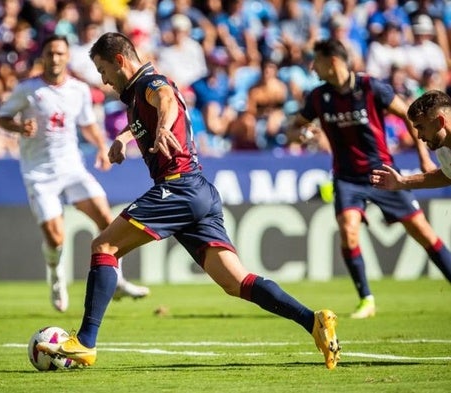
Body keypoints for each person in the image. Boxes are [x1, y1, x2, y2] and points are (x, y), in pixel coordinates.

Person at [36, 32, 341, 370]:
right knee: (236, 283)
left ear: (120, 60)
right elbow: (150, 115)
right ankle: (313, 321)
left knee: (103, 247)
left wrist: (165, 128)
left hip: (177, 188)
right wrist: (124, 138)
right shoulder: (136, 95)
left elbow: (164, 98)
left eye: (103, 70)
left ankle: (86, 343)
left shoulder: (150, 82)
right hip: (198, 191)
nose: (103, 80)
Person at [291, 39, 451, 319]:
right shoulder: (318, 97)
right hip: (347, 177)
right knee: (348, 230)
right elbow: (294, 129)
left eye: (316, 60)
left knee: (424, 234)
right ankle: (366, 298)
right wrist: (303, 135)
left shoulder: (371, 87)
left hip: (382, 171)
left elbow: (409, 117)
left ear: (333, 61)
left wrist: (423, 158)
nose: (312, 67)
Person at [0, 34, 150, 313]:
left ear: (67, 57)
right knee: (56, 238)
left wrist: (103, 147)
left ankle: (116, 280)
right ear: (42, 57)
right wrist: (19, 128)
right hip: (39, 173)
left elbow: (88, 124)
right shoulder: (28, 90)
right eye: (50, 53)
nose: (55, 58)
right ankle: (56, 277)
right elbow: (2, 117)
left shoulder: (78, 90)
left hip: (71, 167)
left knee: (108, 221)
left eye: (60, 53)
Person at [370, 89, 451, 190]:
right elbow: (447, 176)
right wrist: (402, 182)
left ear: (440, 122)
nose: (419, 136)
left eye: (421, 127)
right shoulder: (442, 147)